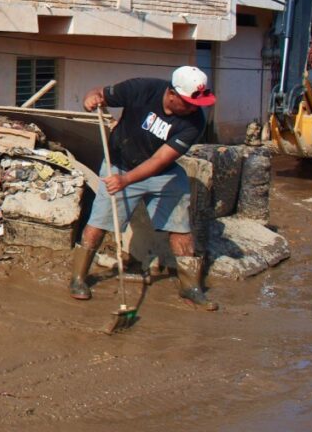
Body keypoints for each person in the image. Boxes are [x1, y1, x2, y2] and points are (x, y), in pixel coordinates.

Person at [69, 65, 219, 311]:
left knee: (181, 228)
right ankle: (78, 279)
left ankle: (190, 287)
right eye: (190, 102)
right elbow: (99, 93)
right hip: (119, 164)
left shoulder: (194, 122)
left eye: (197, 103)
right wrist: (91, 98)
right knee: (99, 223)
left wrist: (127, 181)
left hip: (162, 173)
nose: (195, 108)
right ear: (172, 94)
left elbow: (160, 160)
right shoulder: (141, 88)